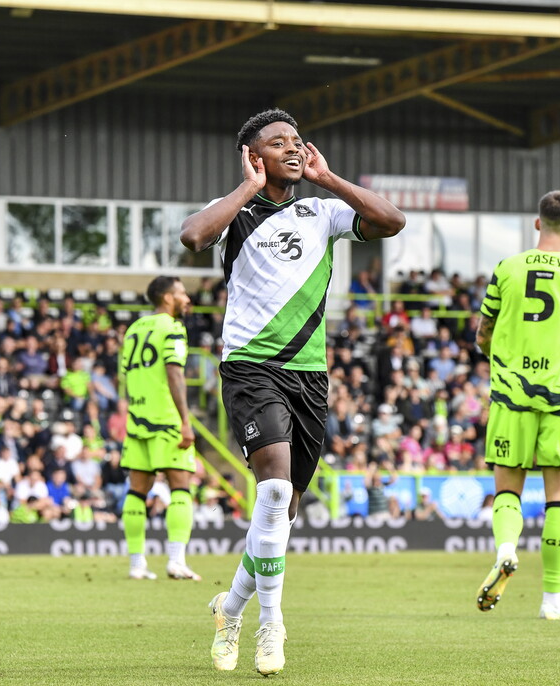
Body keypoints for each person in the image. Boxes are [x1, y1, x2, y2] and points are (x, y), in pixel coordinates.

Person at [180, 108, 405, 675]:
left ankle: (228, 607)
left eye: (297, 140)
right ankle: (270, 627)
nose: (293, 147)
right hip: (251, 367)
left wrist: (330, 179)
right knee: (275, 492)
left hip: (309, 375)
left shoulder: (322, 210)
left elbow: (392, 221)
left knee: (282, 514)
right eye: (277, 143)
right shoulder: (235, 210)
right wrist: (246, 187)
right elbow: (191, 237)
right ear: (255, 157)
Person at [473, 190, 560, 621]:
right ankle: (552, 601)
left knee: (507, 489)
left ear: (537, 224)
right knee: (559, 502)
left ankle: (507, 549)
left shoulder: (507, 269)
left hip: (511, 394)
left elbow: (483, 333)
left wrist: (503, 356)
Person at [118, 276, 200, 581]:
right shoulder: (173, 328)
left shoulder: (133, 330)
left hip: (137, 419)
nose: (187, 298)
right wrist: (185, 421)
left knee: (137, 491)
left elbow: (125, 377)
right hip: (166, 419)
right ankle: (176, 561)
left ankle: (137, 564)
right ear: (167, 297)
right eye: (181, 293)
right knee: (180, 486)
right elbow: (174, 374)